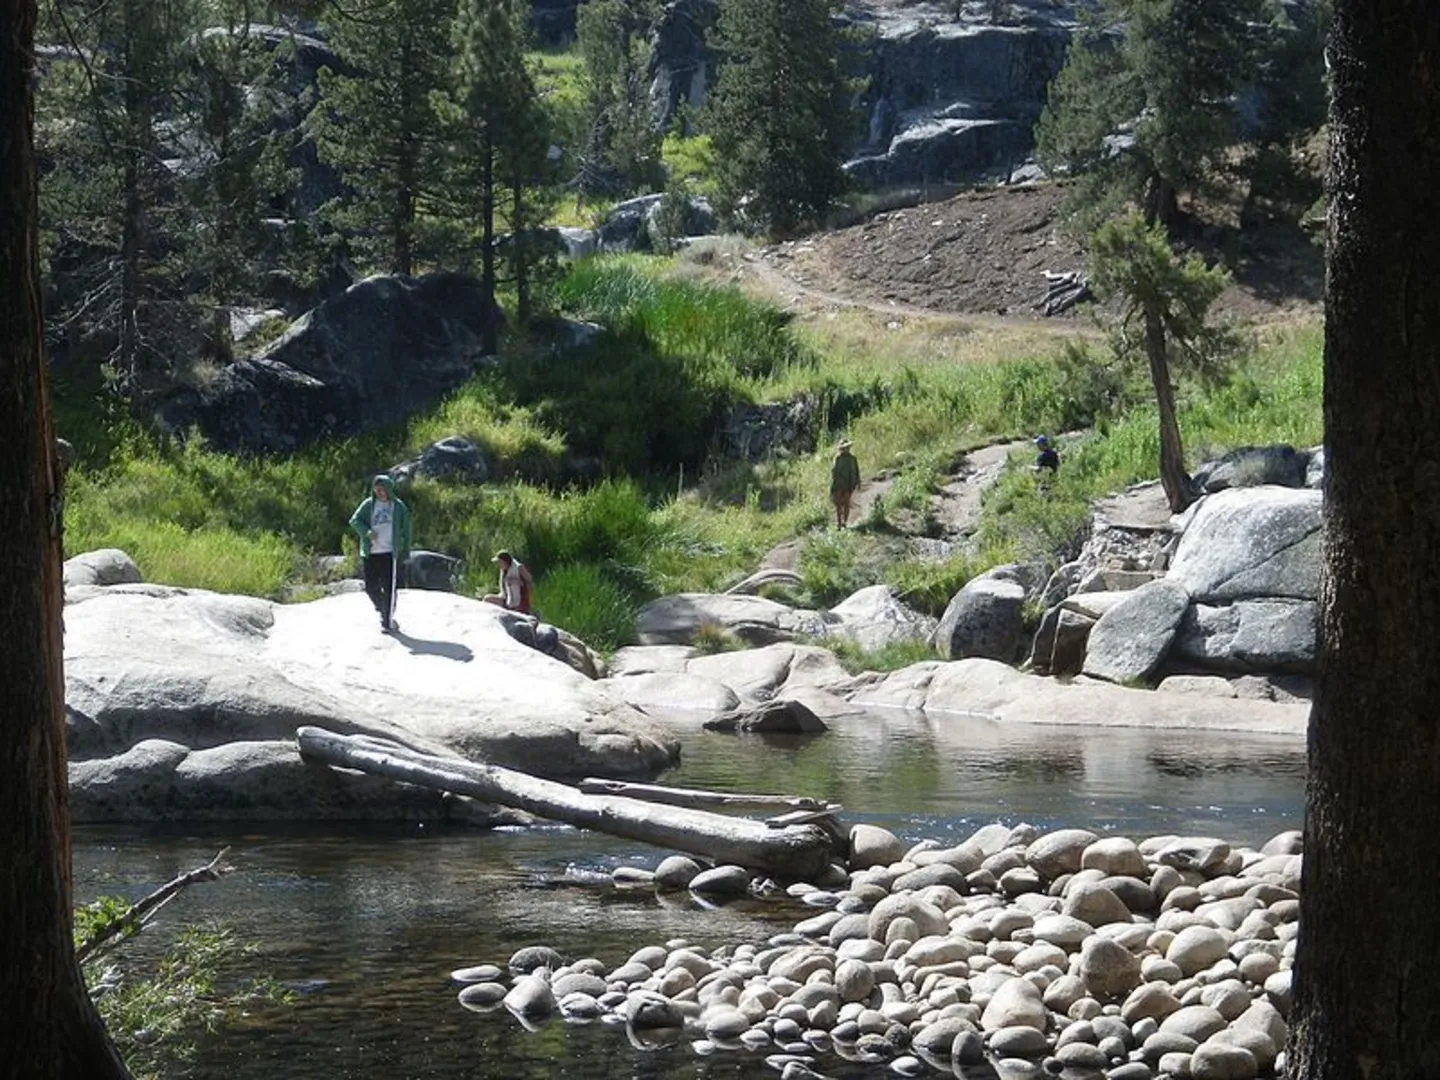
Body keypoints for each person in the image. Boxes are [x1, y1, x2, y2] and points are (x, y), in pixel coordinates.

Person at [349, 474, 412, 632]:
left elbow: (406, 529)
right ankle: (382, 607)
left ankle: (387, 618)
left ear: (389, 489)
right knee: (371, 587)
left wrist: (405, 550)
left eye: (382, 490)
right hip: (371, 552)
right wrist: (366, 532)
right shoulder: (369, 504)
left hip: (390, 552)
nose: (380, 493)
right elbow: (354, 520)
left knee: (389, 586)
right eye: (377, 490)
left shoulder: (398, 507)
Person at [484, 550, 534, 615]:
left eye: (499, 562)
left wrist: (517, 582)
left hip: (520, 602)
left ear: (505, 562)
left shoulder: (519, 568)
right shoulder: (504, 570)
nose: (498, 565)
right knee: (487, 599)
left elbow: (531, 584)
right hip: (506, 599)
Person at [830, 439, 860, 528]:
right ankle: (839, 522)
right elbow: (834, 472)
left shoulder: (853, 459)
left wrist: (857, 482)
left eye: (847, 448)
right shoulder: (837, 458)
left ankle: (845, 522)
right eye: (844, 448)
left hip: (849, 484)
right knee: (838, 504)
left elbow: (856, 471)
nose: (846, 449)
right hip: (839, 484)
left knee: (846, 503)